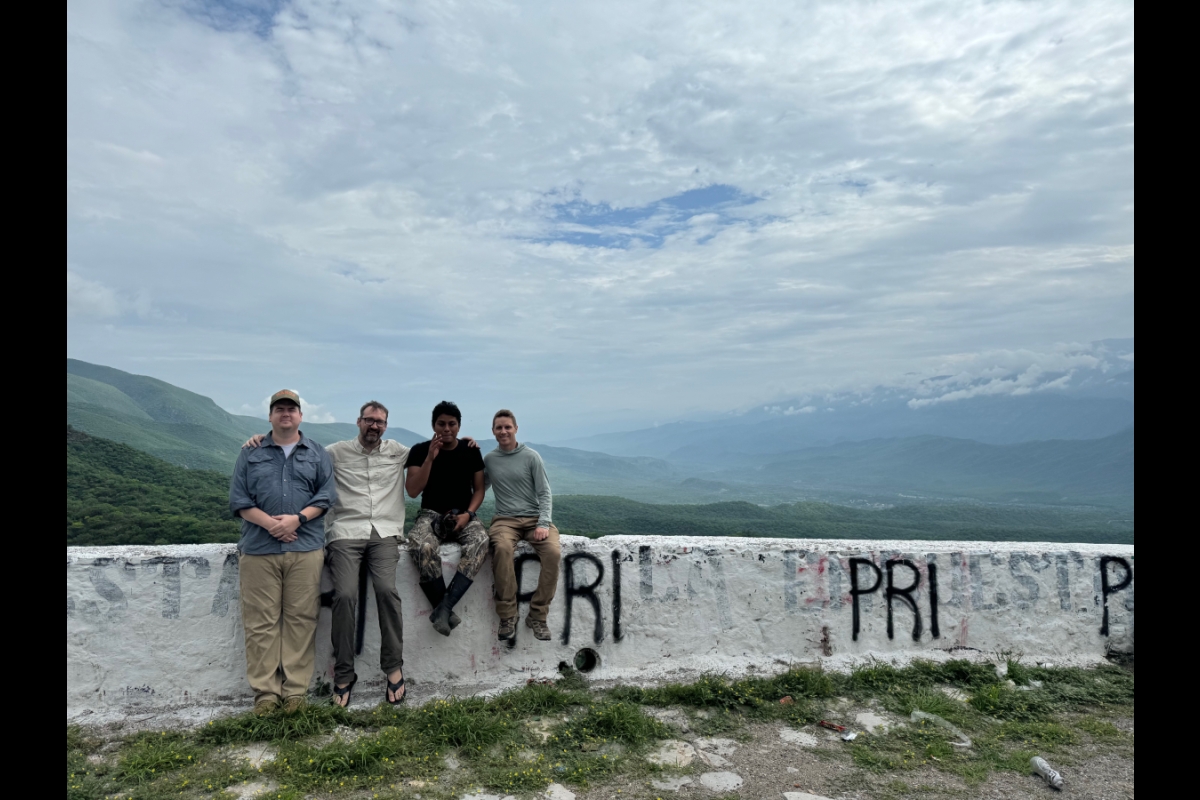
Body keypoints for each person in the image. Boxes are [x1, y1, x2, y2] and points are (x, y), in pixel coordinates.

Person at [244, 401, 480, 707]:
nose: (374, 426)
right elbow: (295, 448)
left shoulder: (399, 451)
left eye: (380, 422)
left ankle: (393, 668)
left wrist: (465, 442)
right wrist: (260, 439)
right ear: (359, 422)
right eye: (369, 421)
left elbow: (437, 447)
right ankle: (344, 673)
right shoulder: (334, 452)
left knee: (386, 591)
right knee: (344, 595)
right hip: (345, 532)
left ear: (385, 425)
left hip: (383, 534)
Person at [228, 390, 336, 715]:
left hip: (305, 548)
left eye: (291, 409)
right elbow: (239, 500)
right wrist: (273, 525)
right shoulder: (251, 452)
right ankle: (265, 695)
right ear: (271, 416)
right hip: (259, 549)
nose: (285, 414)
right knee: (260, 623)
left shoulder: (317, 453)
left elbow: (326, 496)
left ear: (300, 416)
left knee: (301, 620)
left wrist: (297, 520)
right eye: (279, 409)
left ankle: (295, 694)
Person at [405, 401, 488, 637]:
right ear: (434, 425)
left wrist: (468, 515)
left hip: (463, 513)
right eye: (441, 423)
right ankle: (445, 610)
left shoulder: (470, 450)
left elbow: (479, 489)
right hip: (430, 514)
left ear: (459, 426)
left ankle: (444, 608)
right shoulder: (420, 450)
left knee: (481, 541)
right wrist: (430, 458)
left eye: (452, 424)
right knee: (422, 546)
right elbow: (411, 490)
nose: (446, 428)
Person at [485, 409, 561, 642]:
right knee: (502, 549)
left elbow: (545, 493)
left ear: (516, 429)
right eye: (499, 427)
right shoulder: (489, 460)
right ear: (493, 431)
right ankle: (508, 615)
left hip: (534, 518)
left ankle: (537, 615)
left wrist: (543, 523)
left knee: (553, 553)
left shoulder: (531, 457)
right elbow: (478, 487)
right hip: (505, 520)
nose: (504, 431)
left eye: (508, 426)